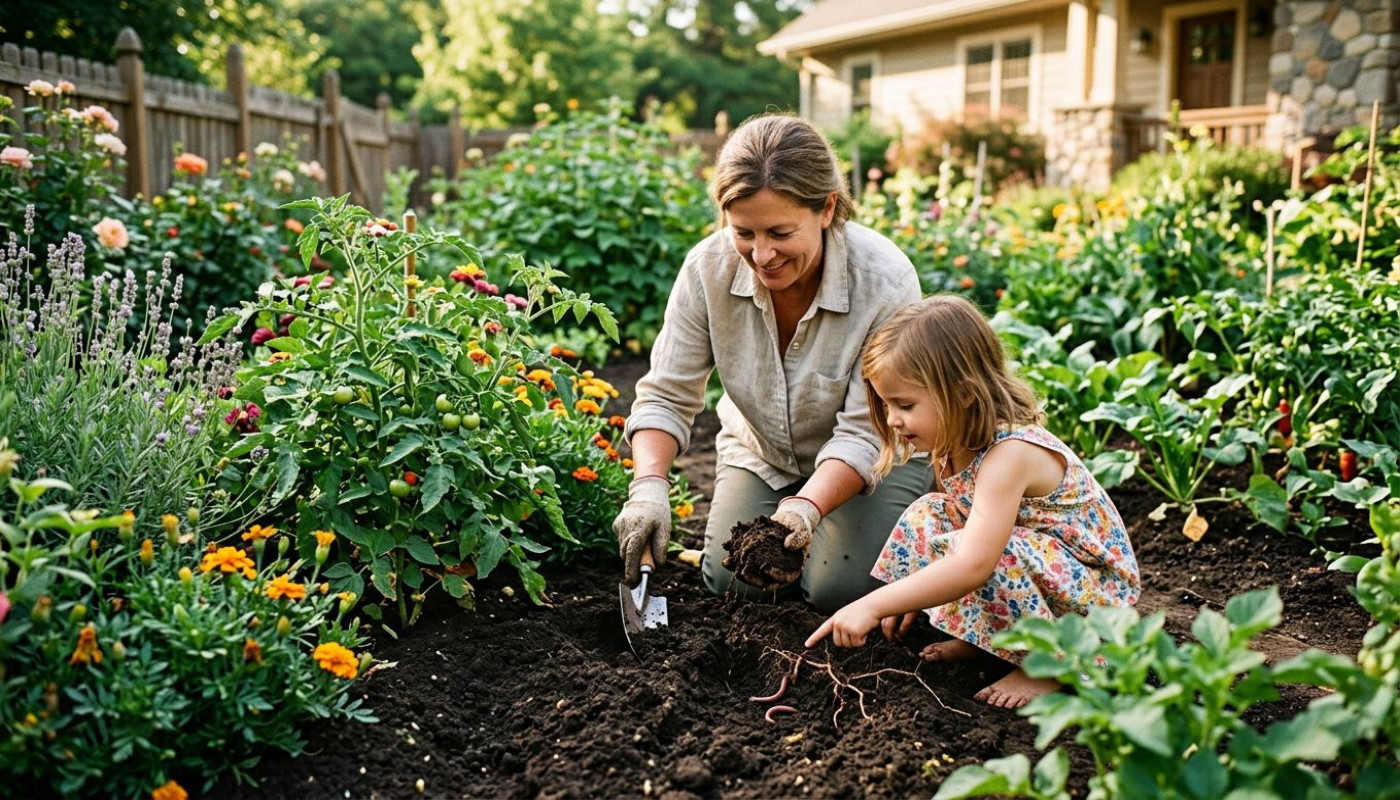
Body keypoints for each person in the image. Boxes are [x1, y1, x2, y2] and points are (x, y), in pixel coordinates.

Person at [612, 112, 932, 613]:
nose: (761, 255)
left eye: (780, 232)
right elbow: (667, 394)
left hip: (880, 458)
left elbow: (868, 431)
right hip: (766, 454)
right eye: (744, 232)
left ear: (826, 209)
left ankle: (917, 519)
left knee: (839, 591)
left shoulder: (883, 282)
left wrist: (808, 507)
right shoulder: (707, 270)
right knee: (734, 582)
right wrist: (649, 488)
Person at [805, 295, 1140, 708]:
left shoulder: (1009, 454)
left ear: (963, 394)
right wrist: (914, 591)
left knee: (990, 553)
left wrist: (875, 603)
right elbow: (959, 529)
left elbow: (975, 564)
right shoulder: (950, 447)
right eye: (887, 404)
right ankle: (992, 640)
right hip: (1043, 571)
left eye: (905, 405)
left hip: (1093, 596)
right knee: (929, 515)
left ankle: (1054, 665)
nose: (892, 419)